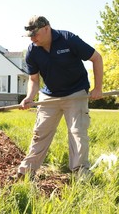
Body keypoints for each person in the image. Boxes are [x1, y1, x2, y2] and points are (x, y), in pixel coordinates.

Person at [17, 15, 103, 179]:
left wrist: (98, 88)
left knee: (78, 133)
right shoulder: (32, 51)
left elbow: (96, 58)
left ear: (46, 28)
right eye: (30, 36)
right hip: (50, 96)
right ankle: (26, 172)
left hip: (76, 94)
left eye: (35, 35)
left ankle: (81, 173)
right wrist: (29, 97)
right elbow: (34, 79)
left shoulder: (68, 39)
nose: (32, 39)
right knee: (40, 133)